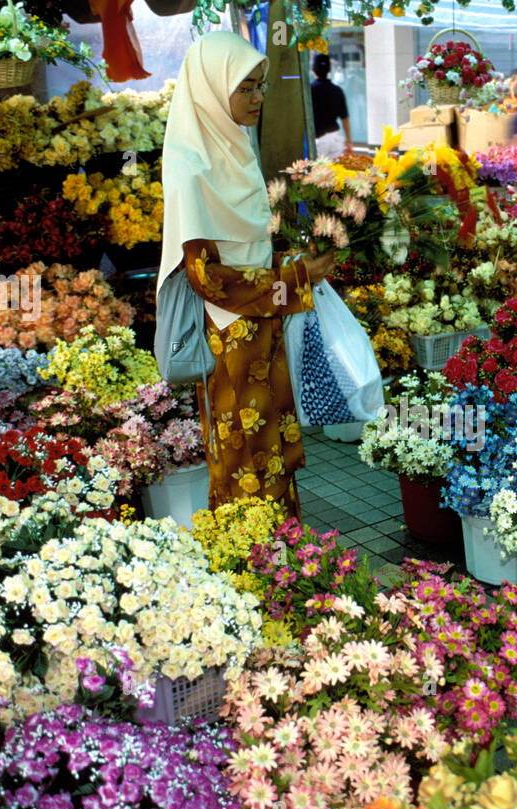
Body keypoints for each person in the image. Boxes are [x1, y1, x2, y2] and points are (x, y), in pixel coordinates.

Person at [158, 31, 335, 520]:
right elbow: (207, 278)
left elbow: (249, 246)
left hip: (263, 332)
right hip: (229, 343)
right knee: (246, 463)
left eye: (262, 85)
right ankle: (252, 576)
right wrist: (296, 279)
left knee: (275, 455)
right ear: (213, 90)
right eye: (246, 88)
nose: (258, 97)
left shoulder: (234, 148)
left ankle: (285, 567)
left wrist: (294, 264)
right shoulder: (190, 168)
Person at [310, 53, 352, 158]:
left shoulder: (308, 91)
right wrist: (349, 140)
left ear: (312, 69)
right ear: (329, 69)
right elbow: (344, 118)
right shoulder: (337, 90)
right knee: (337, 172)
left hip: (318, 140)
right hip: (336, 138)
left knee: (320, 173)